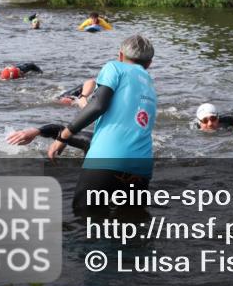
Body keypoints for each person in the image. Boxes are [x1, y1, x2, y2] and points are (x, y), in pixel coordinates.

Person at [47, 34, 157, 217]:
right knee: (132, 226)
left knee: (84, 219)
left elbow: (98, 105)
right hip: (141, 168)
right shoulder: (149, 83)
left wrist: (63, 136)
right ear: (149, 63)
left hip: (107, 159)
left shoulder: (114, 67)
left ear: (120, 55)